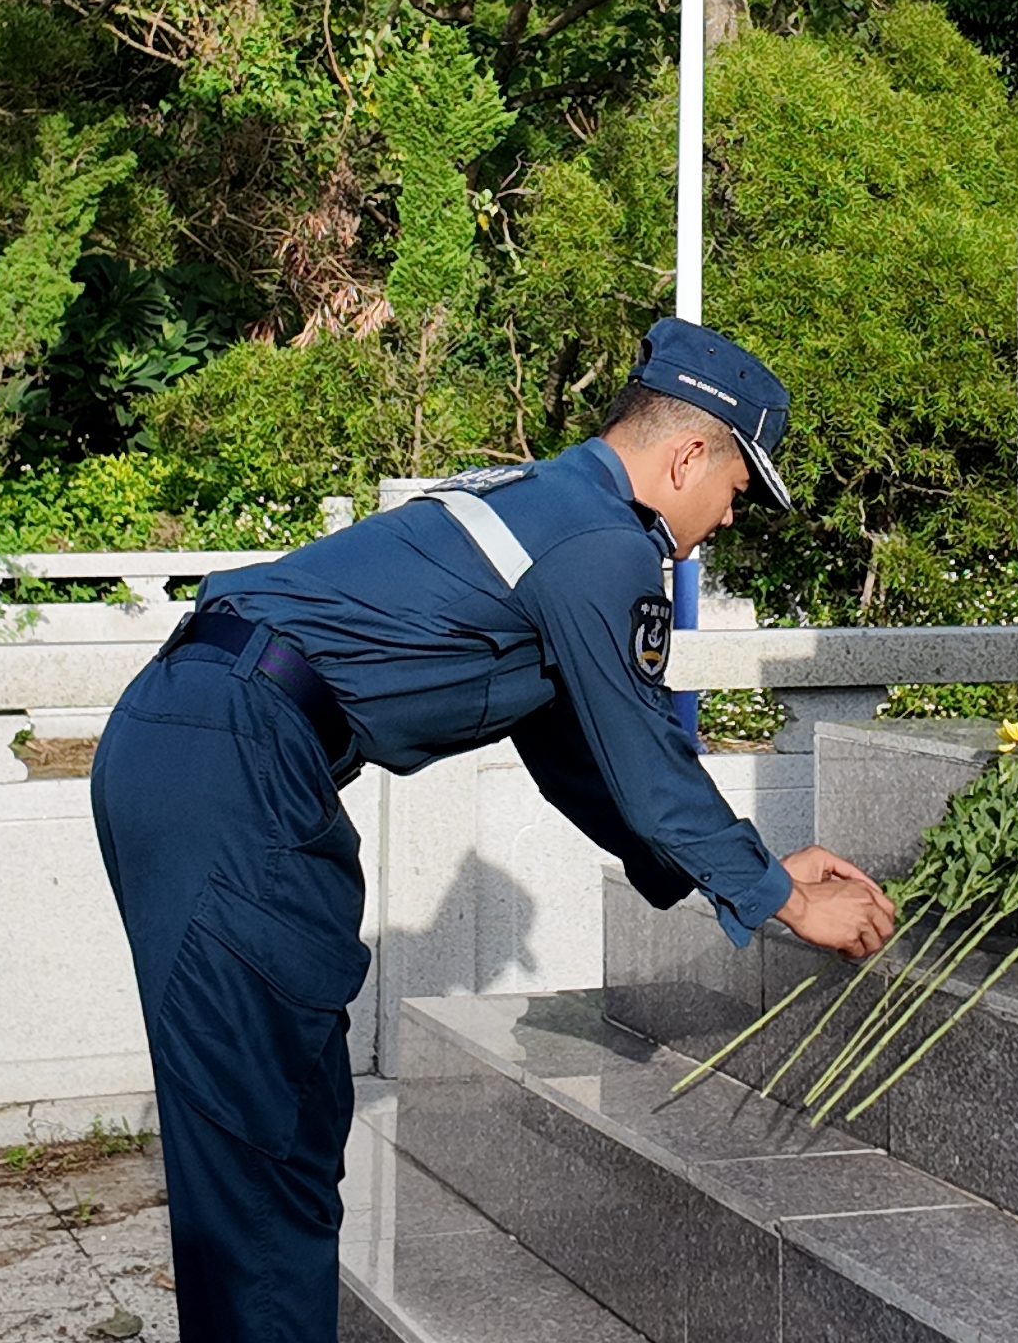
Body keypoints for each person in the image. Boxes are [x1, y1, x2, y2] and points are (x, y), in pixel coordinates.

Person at [88, 317, 904, 1341]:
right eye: (739, 492)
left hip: (206, 741)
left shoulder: (543, 505)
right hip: (235, 762)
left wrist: (747, 871)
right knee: (260, 1154)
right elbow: (647, 764)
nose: (730, 519)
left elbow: (582, 754)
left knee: (280, 1132)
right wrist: (784, 901)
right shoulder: (606, 546)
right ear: (688, 454)